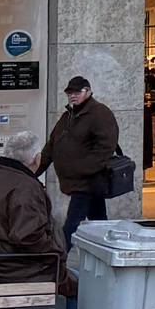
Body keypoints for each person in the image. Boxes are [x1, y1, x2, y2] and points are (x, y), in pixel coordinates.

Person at [0, 131, 73, 294]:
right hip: (16, 271)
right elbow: (28, 237)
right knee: (81, 288)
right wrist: (57, 251)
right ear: (37, 159)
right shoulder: (26, 188)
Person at [37, 76, 121, 241]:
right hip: (78, 181)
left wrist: (82, 170)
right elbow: (52, 145)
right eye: (69, 93)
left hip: (88, 182)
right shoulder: (68, 115)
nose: (72, 96)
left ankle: (62, 260)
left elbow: (105, 148)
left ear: (88, 91)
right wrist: (34, 170)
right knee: (98, 222)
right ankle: (105, 249)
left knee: (71, 227)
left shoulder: (99, 113)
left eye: (77, 92)